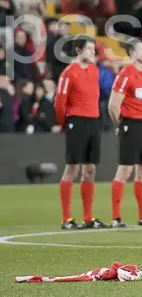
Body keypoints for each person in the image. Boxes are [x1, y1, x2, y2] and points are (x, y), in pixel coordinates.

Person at [54, 36, 105, 229]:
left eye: (93, 49)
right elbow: (60, 103)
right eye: (89, 49)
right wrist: (66, 123)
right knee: (73, 168)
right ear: (78, 51)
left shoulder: (94, 70)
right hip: (76, 121)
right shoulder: (69, 73)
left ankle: (87, 218)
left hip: (94, 120)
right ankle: (66, 218)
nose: (93, 52)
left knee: (90, 169)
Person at [108, 40, 142, 228]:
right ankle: (116, 217)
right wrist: (120, 124)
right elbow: (113, 105)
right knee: (125, 169)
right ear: (132, 53)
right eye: (141, 50)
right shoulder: (125, 74)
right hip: (130, 124)